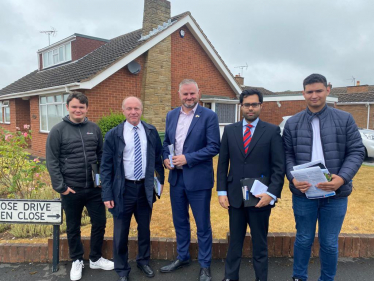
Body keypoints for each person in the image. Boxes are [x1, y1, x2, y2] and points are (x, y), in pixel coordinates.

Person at [283, 74, 365, 281]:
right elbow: (287, 155)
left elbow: (356, 151)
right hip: (304, 193)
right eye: (309, 91)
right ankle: (299, 276)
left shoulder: (345, 119)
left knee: (329, 242)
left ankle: (327, 279)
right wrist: (292, 178)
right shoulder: (292, 123)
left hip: (335, 194)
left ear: (328, 90)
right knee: (303, 239)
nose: (314, 95)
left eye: (318, 90)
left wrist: (342, 178)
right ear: (303, 93)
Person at [217, 89, 285, 281]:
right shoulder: (230, 131)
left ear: (261, 106)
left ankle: (261, 278)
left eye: (254, 104)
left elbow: (279, 167)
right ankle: (230, 277)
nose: (250, 108)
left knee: (260, 244)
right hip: (235, 197)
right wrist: (222, 192)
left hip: (260, 197)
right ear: (241, 107)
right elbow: (222, 164)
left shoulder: (272, 131)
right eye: (247, 104)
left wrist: (271, 194)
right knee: (235, 242)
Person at [46, 91, 114, 281]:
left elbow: (101, 156)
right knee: (73, 227)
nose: (78, 110)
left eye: (81, 107)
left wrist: (100, 182)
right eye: (74, 106)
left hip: (93, 189)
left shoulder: (94, 128)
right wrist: (61, 186)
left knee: (100, 223)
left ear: (86, 109)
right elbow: (52, 161)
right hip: (71, 189)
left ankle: (95, 258)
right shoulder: (58, 130)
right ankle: (77, 259)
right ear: (67, 107)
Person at [161, 79, 220, 281]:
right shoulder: (171, 115)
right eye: (185, 94)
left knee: (202, 224)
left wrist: (188, 158)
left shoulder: (209, 116)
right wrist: (165, 159)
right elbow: (166, 142)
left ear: (199, 93)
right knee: (180, 221)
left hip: (198, 179)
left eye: (192, 93)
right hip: (176, 178)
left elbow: (214, 147)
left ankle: (205, 265)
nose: (189, 97)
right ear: (179, 94)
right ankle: (183, 257)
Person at [100, 96, 165, 281]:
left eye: (136, 108)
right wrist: (107, 193)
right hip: (123, 190)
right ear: (123, 110)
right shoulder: (114, 134)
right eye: (129, 108)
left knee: (144, 229)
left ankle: (143, 261)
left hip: (145, 188)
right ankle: (122, 269)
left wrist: (158, 184)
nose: (133, 112)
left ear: (141, 110)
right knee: (121, 232)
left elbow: (159, 160)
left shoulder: (151, 131)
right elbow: (105, 166)